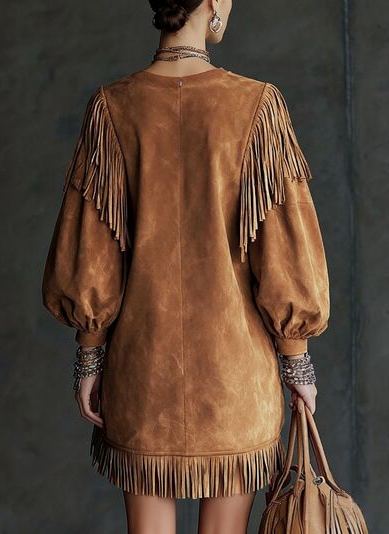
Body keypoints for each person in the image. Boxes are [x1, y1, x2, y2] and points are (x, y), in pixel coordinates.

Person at [41, 0, 330, 532]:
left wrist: (89, 355)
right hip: (235, 383)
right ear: (213, 3)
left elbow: (89, 259)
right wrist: (297, 363)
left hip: (142, 378)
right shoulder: (257, 107)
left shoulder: (112, 108)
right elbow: (287, 256)